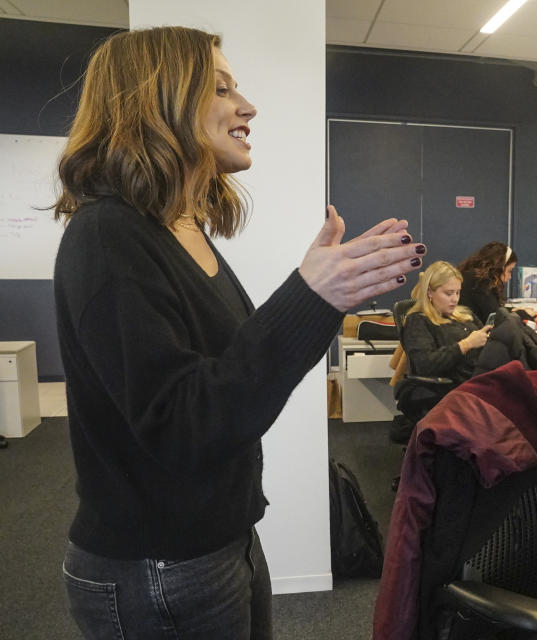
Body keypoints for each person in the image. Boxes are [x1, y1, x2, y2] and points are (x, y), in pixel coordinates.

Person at [52, 27, 425, 640]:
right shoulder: (108, 237)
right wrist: (308, 297)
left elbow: (231, 383)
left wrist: (320, 298)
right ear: (159, 101)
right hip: (157, 569)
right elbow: (185, 425)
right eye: (220, 88)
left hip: (225, 542)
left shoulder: (185, 229)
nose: (246, 106)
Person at [403, 261, 491, 386]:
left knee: (511, 326)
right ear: (429, 292)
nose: (455, 299)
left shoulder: (466, 314)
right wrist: (465, 345)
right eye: (449, 293)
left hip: (484, 372)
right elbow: (424, 364)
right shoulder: (418, 321)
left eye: (458, 292)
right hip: (460, 384)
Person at [457, 241, 518, 321]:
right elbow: (496, 317)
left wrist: (515, 310)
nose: (509, 277)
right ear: (499, 268)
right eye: (509, 271)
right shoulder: (479, 282)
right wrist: (522, 314)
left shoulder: (470, 275)